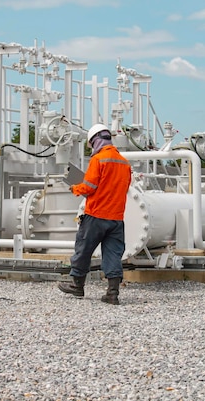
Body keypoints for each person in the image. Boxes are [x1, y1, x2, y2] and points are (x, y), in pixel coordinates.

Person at [58, 124, 131, 305]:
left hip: (96, 215)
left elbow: (89, 187)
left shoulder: (99, 159)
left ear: (95, 141)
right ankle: (112, 293)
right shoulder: (124, 162)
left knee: (83, 250)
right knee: (113, 254)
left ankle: (77, 286)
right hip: (116, 218)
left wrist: (74, 188)